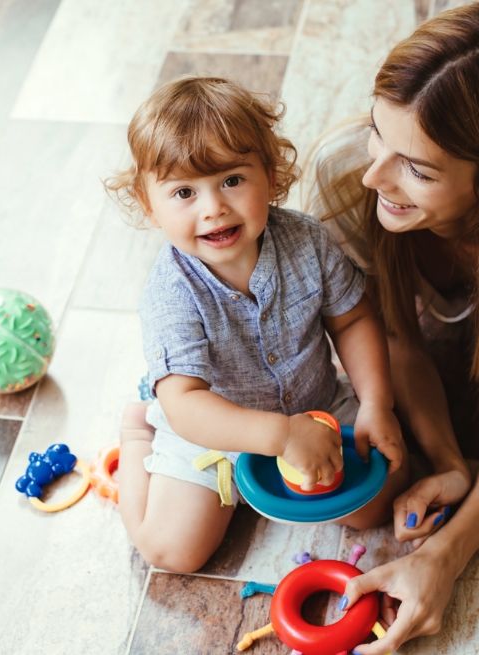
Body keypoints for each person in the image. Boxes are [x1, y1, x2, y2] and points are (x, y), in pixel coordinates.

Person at [305, 3, 479, 652]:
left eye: (418, 170)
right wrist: (453, 461)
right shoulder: (346, 173)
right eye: (380, 132)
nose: (376, 176)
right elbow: (396, 336)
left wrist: (447, 556)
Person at [105, 76, 408, 573]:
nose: (213, 207)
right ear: (148, 204)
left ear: (270, 173)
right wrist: (280, 436)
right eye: (184, 192)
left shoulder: (307, 241)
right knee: (172, 551)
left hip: (316, 405)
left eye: (231, 180)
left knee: (380, 498)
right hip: (209, 432)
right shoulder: (171, 292)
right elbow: (186, 403)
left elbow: (353, 320)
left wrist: (376, 403)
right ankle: (138, 430)